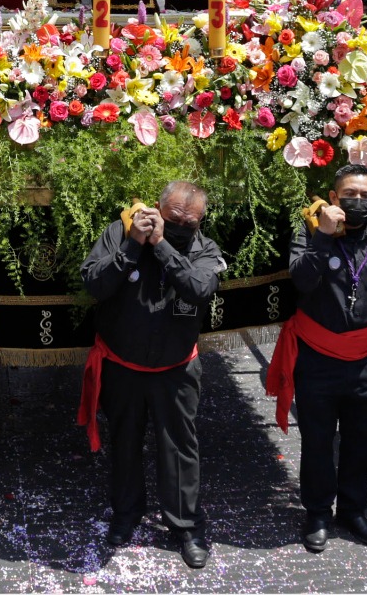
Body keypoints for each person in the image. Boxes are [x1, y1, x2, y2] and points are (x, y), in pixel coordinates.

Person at [78, 182, 221, 567]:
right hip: (123, 366)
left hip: (176, 368)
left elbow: (200, 289)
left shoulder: (204, 249)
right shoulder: (119, 232)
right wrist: (132, 248)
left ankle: (186, 526)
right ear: (157, 207)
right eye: (172, 219)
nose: (179, 226)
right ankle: (126, 515)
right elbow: (94, 284)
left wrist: (162, 246)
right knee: (124, 442)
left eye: (188, 223)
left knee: (180, 448)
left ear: (200, 223)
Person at [267, 165, 367, 553]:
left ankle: (354, 510)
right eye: (349, 194)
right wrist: (324, 237)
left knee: (362, 441)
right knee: (317, 440)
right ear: (333, 197)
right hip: (318, 359)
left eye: (365, 196)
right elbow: (302, 280)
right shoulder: (310, 231)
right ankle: (317, 512)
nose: (357, 201)